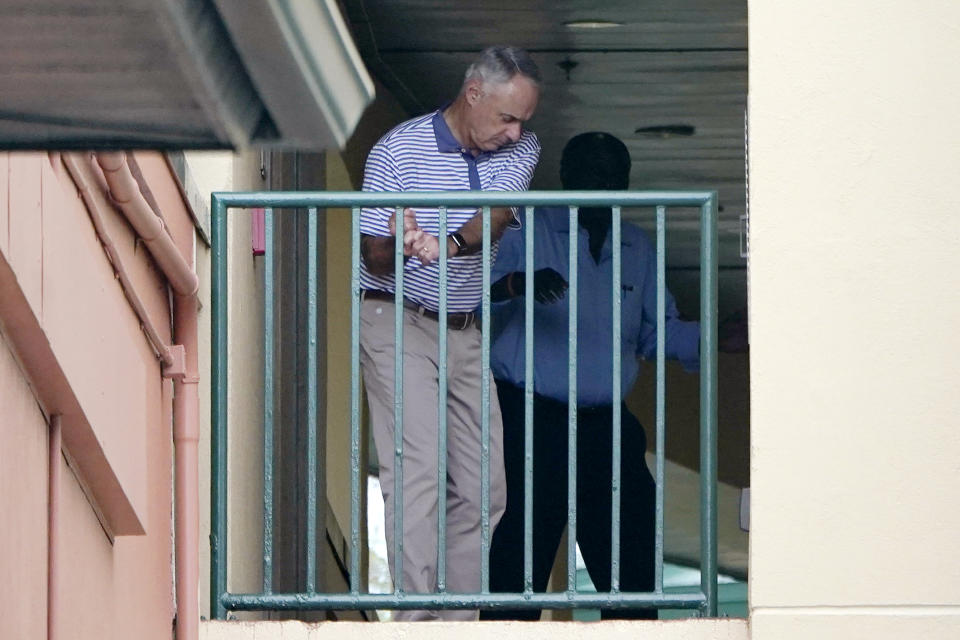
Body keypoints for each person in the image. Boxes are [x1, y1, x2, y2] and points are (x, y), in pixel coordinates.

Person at [481, 132, 700, 620]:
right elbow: (470, 295)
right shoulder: (526, 228)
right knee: (518, 563)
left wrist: (719, 340)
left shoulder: (635, 244)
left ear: (625, 184)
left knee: (632, 562)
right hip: (529, 419)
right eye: (591, 173)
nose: (601, 185)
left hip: (605, 423)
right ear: (567, 177)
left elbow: (656, 332)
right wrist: (518, 283)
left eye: (612, 177)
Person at [358, 46, 541, 621]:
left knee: (487, 490)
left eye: (522, 122)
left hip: (464, 329)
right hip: (397, 318)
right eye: (507, 118)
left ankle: (457, 624)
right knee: (416, 475)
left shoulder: (522, 149)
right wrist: (400, 236)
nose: (515, 134)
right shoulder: (396, 151)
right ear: (474, 94)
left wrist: (446, 244)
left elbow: (495, 214)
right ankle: (417, 625)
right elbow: (373, 256)